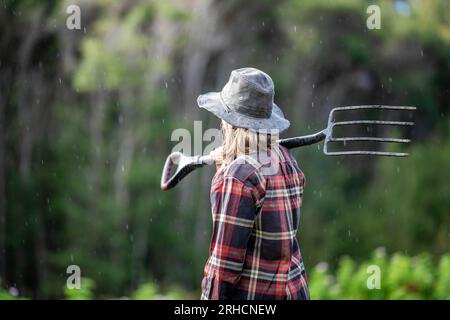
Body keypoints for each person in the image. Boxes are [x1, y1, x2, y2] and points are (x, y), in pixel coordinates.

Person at [197, 67, 309, 300]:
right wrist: (229, 161)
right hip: (295, 292)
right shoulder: (286, 159)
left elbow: (223, 267)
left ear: (229, 123)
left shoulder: (238, 177)